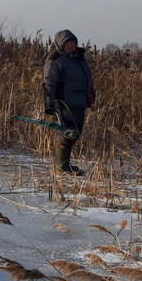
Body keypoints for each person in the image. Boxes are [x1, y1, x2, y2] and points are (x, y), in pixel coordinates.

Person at [41, 29, 96, 175]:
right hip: (64, 104)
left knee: (76, 133)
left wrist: (91, 94)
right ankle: (62, 166)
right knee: (66, 134)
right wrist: (49, 104)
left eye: (73, 42)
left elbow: (87, 79)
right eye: (67, 43)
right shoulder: (55, 60)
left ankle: (65, 163)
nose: (71, 45)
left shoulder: (79, 59)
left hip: (80, 102)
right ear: (61, 44)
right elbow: (49, 84)